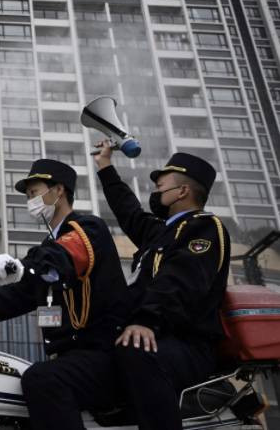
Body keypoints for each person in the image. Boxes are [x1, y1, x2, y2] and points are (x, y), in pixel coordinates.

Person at [0, 159, 130, 430]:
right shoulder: (50, 245)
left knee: (41, 379)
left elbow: (62, 256)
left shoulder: (87, 229)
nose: (30, 201)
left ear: (58, 190)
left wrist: (21, 267)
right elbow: (19, 295)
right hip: (74, 359)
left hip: (104, 354)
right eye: (28, 196)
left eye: (34, 192)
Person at [94, 144, 231, 430]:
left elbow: (180, 280)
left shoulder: (204, 227)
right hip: (156, 334)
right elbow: (128, 211)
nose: (155, 193)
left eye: (160, 187)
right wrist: (105, 166)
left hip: (186, 343)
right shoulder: (160, 231)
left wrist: (145, 320)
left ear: (182, 191)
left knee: (136, 349)